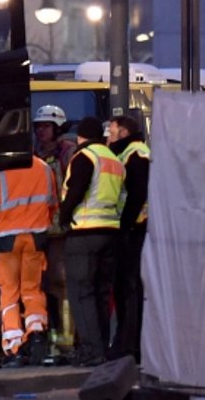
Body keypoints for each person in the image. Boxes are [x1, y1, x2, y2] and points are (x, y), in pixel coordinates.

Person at [58, 116, 125, 367]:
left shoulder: (85, 157)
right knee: (100, 293)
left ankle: (91, 350)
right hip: (110, 232)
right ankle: (102, 348)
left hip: (84, 233)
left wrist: (64, 215)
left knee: (81, 293)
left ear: (80, 137)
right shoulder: (114, 160)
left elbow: (75, 191)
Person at [0, 155, 57, 368]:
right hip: (36, 236)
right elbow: (52, 204)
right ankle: (37, 334)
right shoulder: (44, 168)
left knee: (8, 294)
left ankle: (14, 348)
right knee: (33, 289)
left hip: (5, 240)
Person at [106, 114, 151, 363]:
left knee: (130, 289)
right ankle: (129, 344)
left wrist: (124, 225)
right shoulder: (129, 152)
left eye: (111, 132)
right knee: (127, 289)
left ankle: (129, 346)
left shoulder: (135, 153)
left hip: (136, 230)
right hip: (134, 229)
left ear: (123, 132)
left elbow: (137, 193)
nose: (108, 136)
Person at [32, 104, 75, 362]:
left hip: (61, 231)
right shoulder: (34, 155)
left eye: (46, 126)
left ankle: (66, 342)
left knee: (62, 285)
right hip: (39, 230)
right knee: (43, 287)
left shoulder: (67, 153)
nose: (41, 131)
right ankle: (51, 340)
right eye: (38, 127)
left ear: (58, 128)